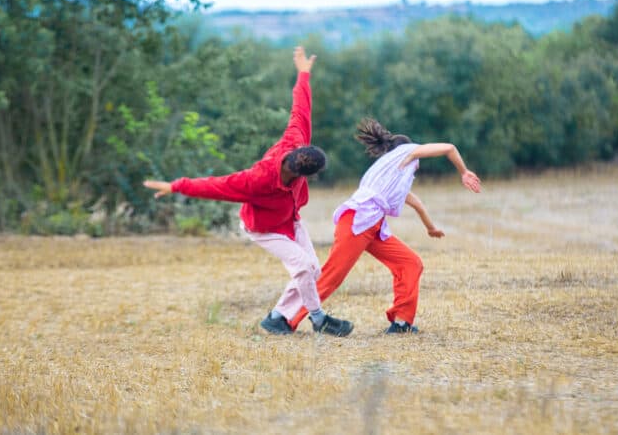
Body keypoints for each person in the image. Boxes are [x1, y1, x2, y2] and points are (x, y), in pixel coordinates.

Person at [143, 47, 353, 337]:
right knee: (303, 266)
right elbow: (217, 185)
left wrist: (303, 74)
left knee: (311, 270)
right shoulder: (258, 179)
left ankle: (277, 317)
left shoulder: (296, 140)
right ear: (303, 174)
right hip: (263, 227)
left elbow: (300, 108)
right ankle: (318, 319)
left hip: (289, 220)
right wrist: (177, 186)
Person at [286, 118, 482, 334]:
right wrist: (464, 171)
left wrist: (431, 228)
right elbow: (449, 148)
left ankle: (401, 322)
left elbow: (416, 203)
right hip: (357, 221)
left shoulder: (391, 174)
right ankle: (286, 319)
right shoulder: (405, 153)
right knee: (332, 276)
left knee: (410, 263)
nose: (416, 168)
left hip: (373, 225)